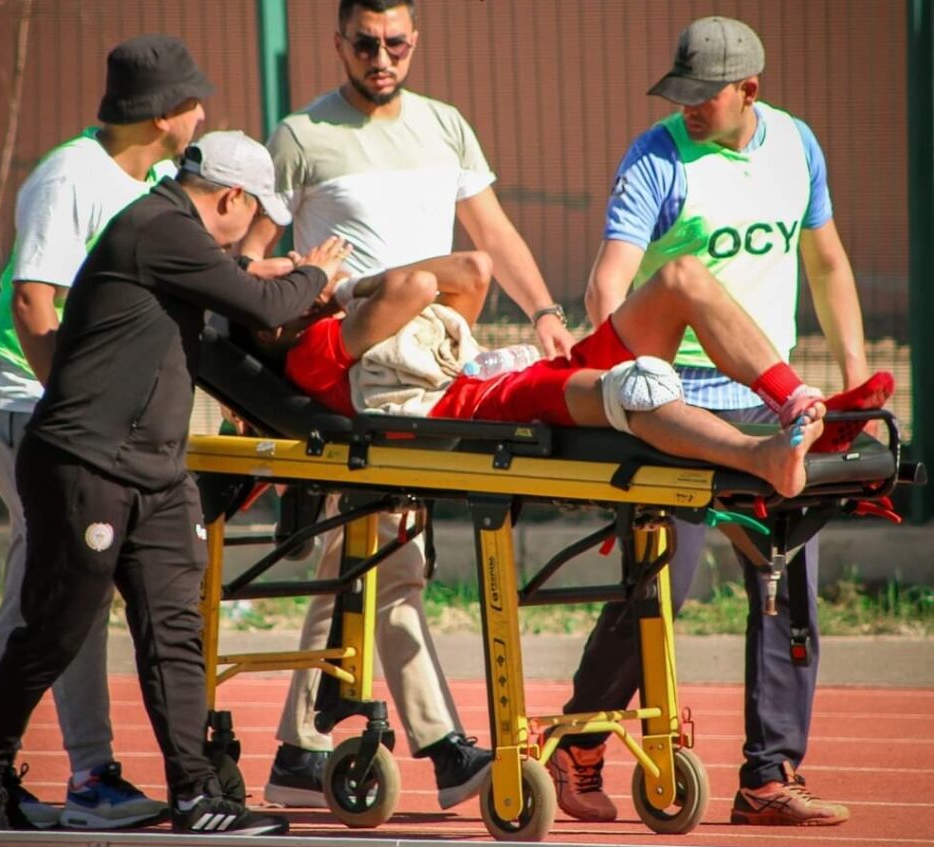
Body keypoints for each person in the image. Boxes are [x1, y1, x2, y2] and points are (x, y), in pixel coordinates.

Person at [0, 131, 348, 836]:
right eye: (255, 214)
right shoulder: (159, 224)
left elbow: (237, 284)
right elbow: (261, 304)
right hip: (86, 463)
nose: (253, 229)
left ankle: (196, 795)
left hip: (154, 468)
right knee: (56, 628)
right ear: (232, 198)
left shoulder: (175, 234)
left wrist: (280, 278)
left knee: (174, 630)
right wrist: (313, 274)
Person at [555, 16, 891, 828]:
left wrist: (855, 383)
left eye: (704, 96)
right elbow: (608, 286)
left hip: (770, 399)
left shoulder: (797, 147)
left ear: (750, 90)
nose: (688, 108)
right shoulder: (657, 157)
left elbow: (827, 262)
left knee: (788, 581)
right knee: (660, 583)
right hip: (677, 400)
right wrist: (631, 387)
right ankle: (582, 741)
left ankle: (768, 776)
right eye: (681, 93)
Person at [239, 0, 574, 811]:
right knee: (392, 563)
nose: (381, 57)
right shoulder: (300, 136)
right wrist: (290, 320)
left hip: (431, 357)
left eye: (395, 43)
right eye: (366, 43)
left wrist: (545, 312)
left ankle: (298, 750)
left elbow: (494, 236)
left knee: (353, 563)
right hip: (360, 365)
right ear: (339, 44)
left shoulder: (445, 125)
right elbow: (247, 259)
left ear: (414, 41)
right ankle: (444, 745)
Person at [0, 33, 214, 829]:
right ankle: (72, 775)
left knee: (53, 593)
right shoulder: (69, 177)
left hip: (83, 423)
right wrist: (77, 412)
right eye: (193, 101)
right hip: (24, 401)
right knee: (63, 591)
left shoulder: (157, 182)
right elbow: (35, 303)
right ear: (162, 114)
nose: (204, 113)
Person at [278, 251, 890, 502]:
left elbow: (474, 268)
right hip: (485, 409)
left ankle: (795, 402)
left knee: (681, 277)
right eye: (283, 274)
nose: (298, 264)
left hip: (523, 375)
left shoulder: (361, 329)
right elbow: (414, 285)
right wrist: (336, 285)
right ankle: (764, 458)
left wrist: (326, 285)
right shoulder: (311, 350)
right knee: (638, 384)